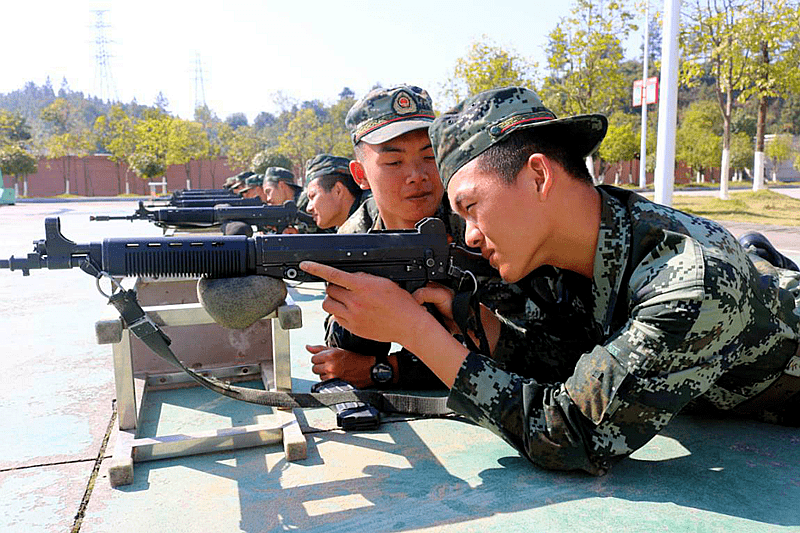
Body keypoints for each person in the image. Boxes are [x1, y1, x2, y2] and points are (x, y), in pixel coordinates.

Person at [300, 86, 800, 475]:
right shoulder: (575, 244)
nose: (468, 237)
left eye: (471, 208)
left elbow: (569, 434)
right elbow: (575, 359)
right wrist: (477, 328)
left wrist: (417, 332)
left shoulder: (689, 281)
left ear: (539, 176)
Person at [306, 85, 462, 389]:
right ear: (360, 175)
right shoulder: (355, 237)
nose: (417, 175)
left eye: (429, 157)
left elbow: (509, 350)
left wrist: (388, 369)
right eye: (394, 162)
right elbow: (346, 357)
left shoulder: (474, 223)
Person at [304, 154, 369, 230]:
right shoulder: (356, 226)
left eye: (313, 196)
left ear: (338, 190)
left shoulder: (376, 218)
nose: (308, 208)